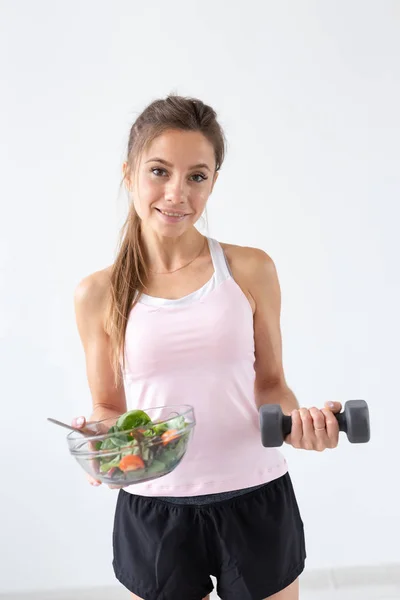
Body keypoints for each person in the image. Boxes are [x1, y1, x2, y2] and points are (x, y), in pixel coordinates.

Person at [72, 94, 342, 600]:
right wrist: (107, 448)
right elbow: (109, 407)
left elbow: (272, 385)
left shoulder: (250, 269)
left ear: (213, 182)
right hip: (154, 507)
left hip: (256, 495)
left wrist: (298, 426)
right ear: (129, 173)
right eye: (159, 171)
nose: (176, 193)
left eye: (197, 176)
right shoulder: (98, 293)